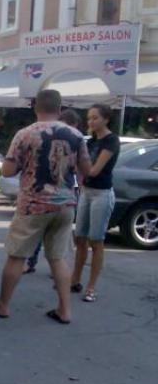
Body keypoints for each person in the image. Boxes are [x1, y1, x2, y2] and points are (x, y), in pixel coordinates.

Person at [0, 90, 91, 325]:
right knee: (58, 258)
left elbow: (8, 171)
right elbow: (87, 169)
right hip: (65, 206)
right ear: (60, 109)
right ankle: (65, 310)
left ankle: (2, 305)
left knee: (16, 256)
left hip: (33, 205)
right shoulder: (77, 135)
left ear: (36, 108)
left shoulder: (25, 134)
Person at [70, 104, 120, 302]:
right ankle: (75, 280)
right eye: (89, 118)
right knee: (80, 238)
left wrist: (79, 168)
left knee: (96, 241)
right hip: (86, 192)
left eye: (95, 118)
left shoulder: (111, 140)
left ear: (106, 119)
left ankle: (91, 287)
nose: (91, 122)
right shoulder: (89, 141)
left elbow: (93, 170)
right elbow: (78, 167)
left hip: (102, 193)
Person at [24, 108, 83, 274]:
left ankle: (50, 267)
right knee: (55, 236)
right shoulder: (61, 141)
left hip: (60, 195)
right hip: (60, 196)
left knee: (52, 235)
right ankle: (54, 268)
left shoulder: (72, 141)